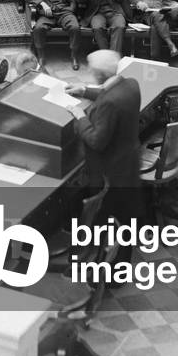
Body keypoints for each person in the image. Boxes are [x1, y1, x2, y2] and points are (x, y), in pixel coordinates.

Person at [64, 50, 142, 225]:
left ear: (99, 74)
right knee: (125, 212)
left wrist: (80, 117)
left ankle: (106, 246)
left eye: (92, 70)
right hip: (129, 160)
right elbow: (110, 93)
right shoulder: (131, 84)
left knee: (108, 215)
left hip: (110, 170)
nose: (90, 73)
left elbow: (96, 141)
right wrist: (84, 91)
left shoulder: (109, 103)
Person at [27, 0, 82, 70]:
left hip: (64, 11)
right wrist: (42, 3)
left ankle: (74, 56)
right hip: (47, 13)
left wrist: (71, 8)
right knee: (39, 28)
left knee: (75, 27)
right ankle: (41, 56)